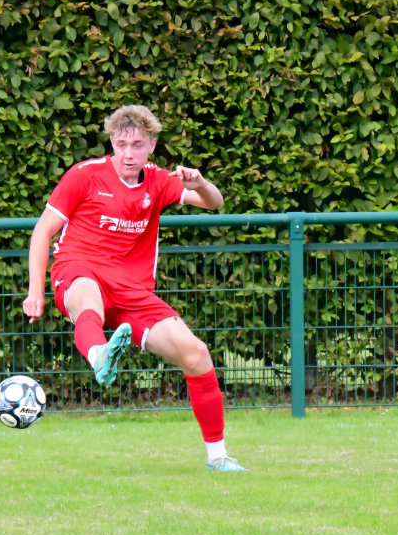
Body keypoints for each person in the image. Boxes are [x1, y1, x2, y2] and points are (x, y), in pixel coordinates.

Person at [23, 104, 246, 472]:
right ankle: (99, 355)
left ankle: (218, 457)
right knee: (88, 299)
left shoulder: (159, 180)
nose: (128, 154)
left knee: (196, 355)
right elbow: (42, 231)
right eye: (121, 144)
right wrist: (35, 292)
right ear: (112, 142)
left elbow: (215, 203)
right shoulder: (84, 175)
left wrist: (201, 184)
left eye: (137, 145)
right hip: (78, 269)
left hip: (131, 289)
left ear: (151, 146)